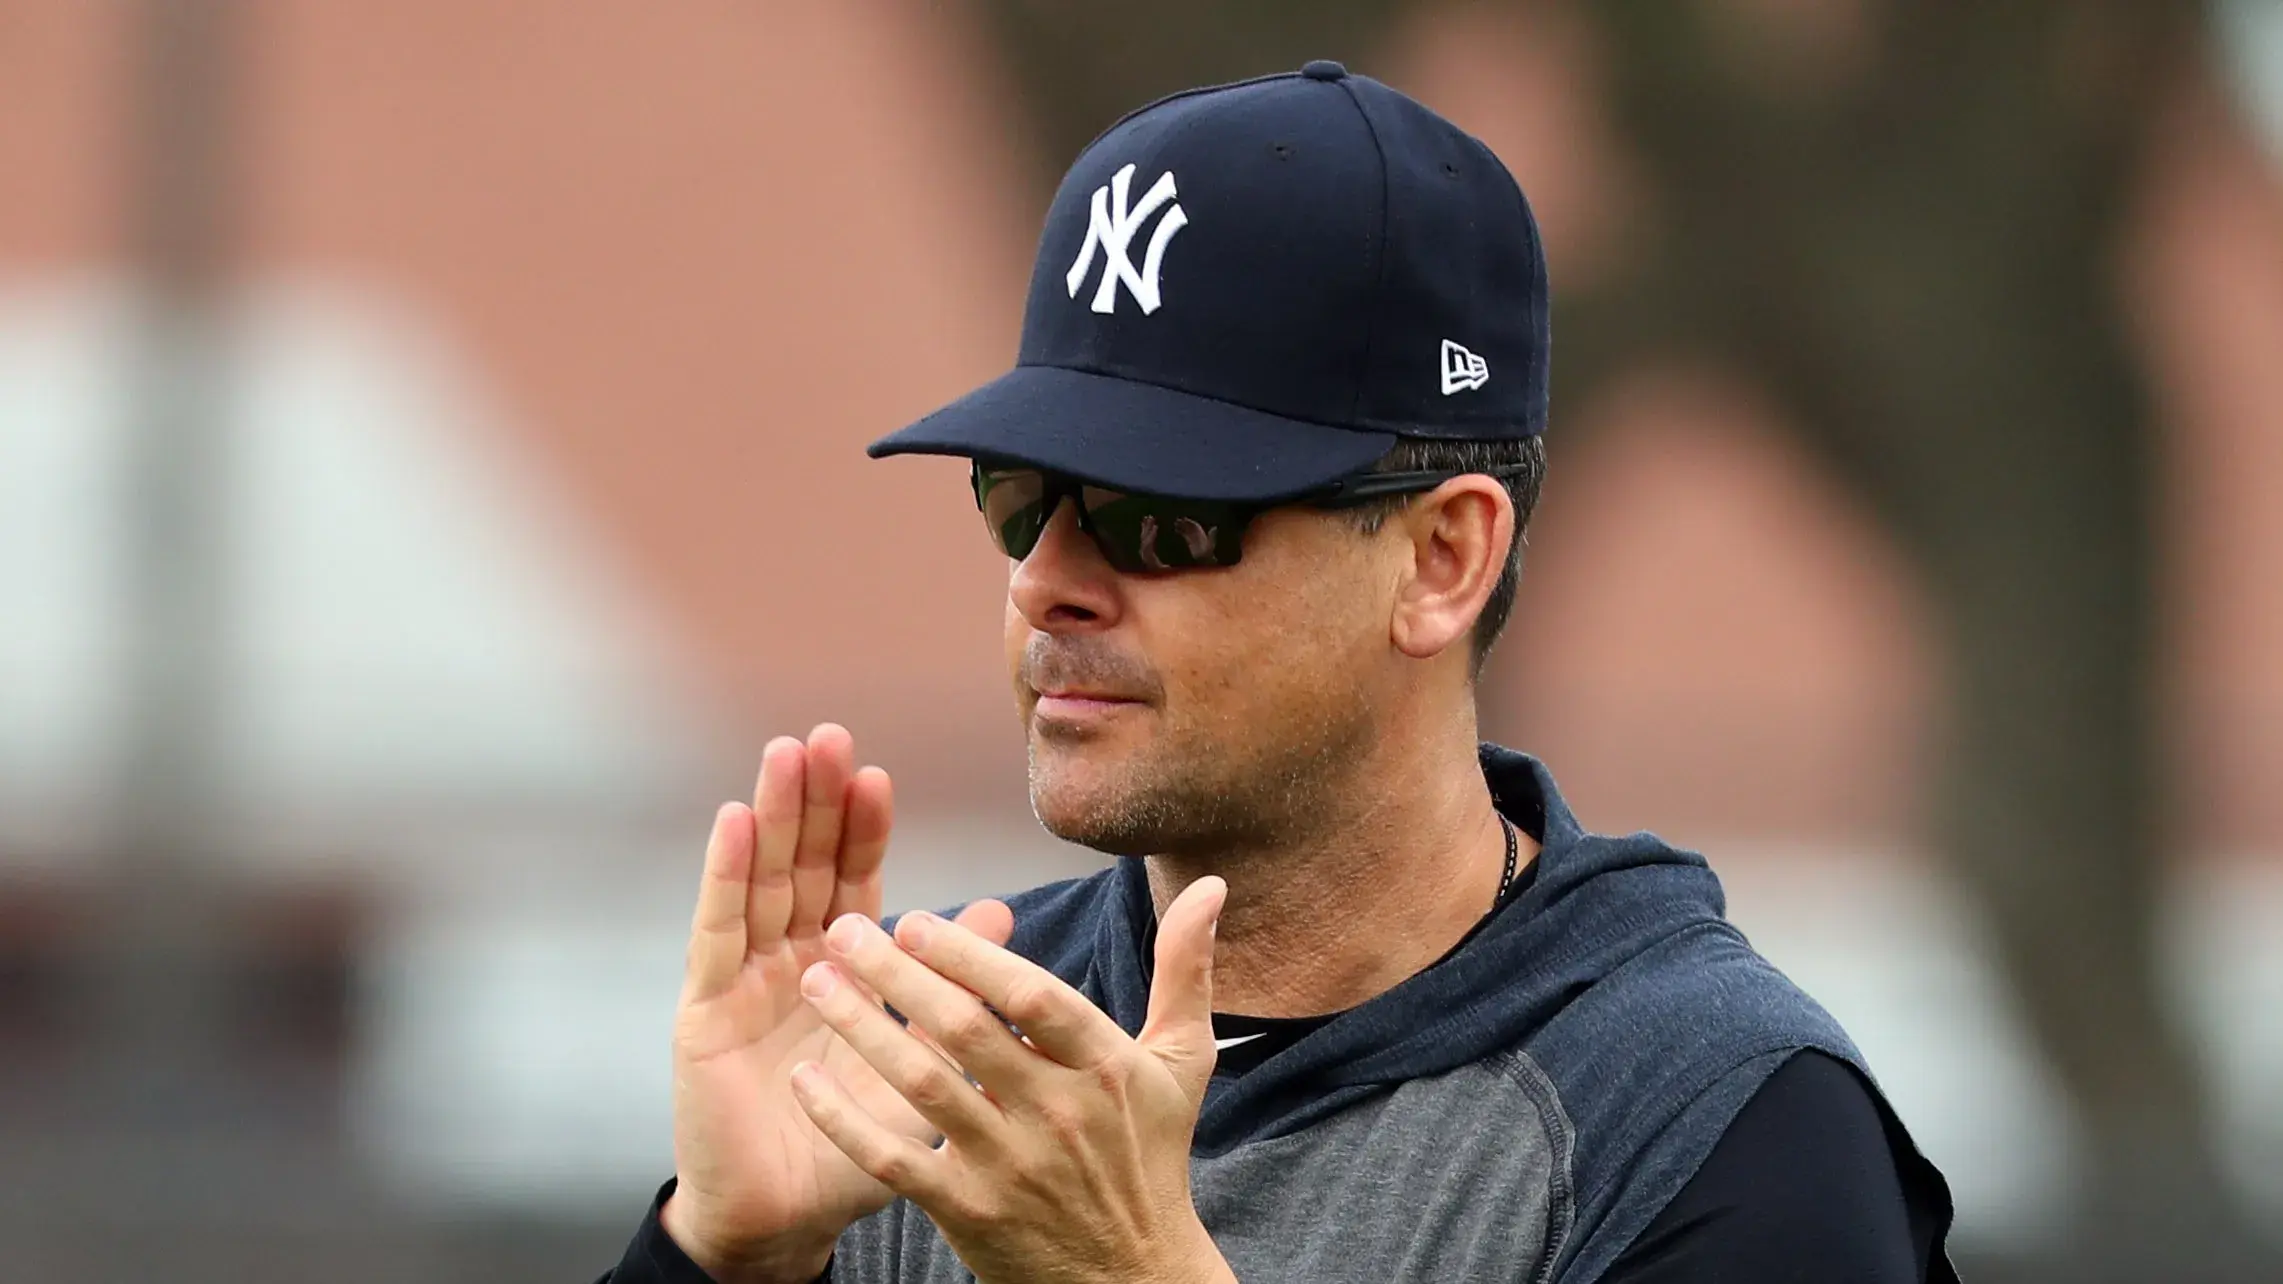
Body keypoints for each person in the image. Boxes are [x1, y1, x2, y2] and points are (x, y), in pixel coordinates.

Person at [601, 60, 1955, 1284]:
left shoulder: (1710, 1127)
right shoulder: (935, 1055)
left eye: (1162, 515)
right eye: (1021, 496)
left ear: (1439, 558)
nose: (1046, 578)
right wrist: (721, 1261)